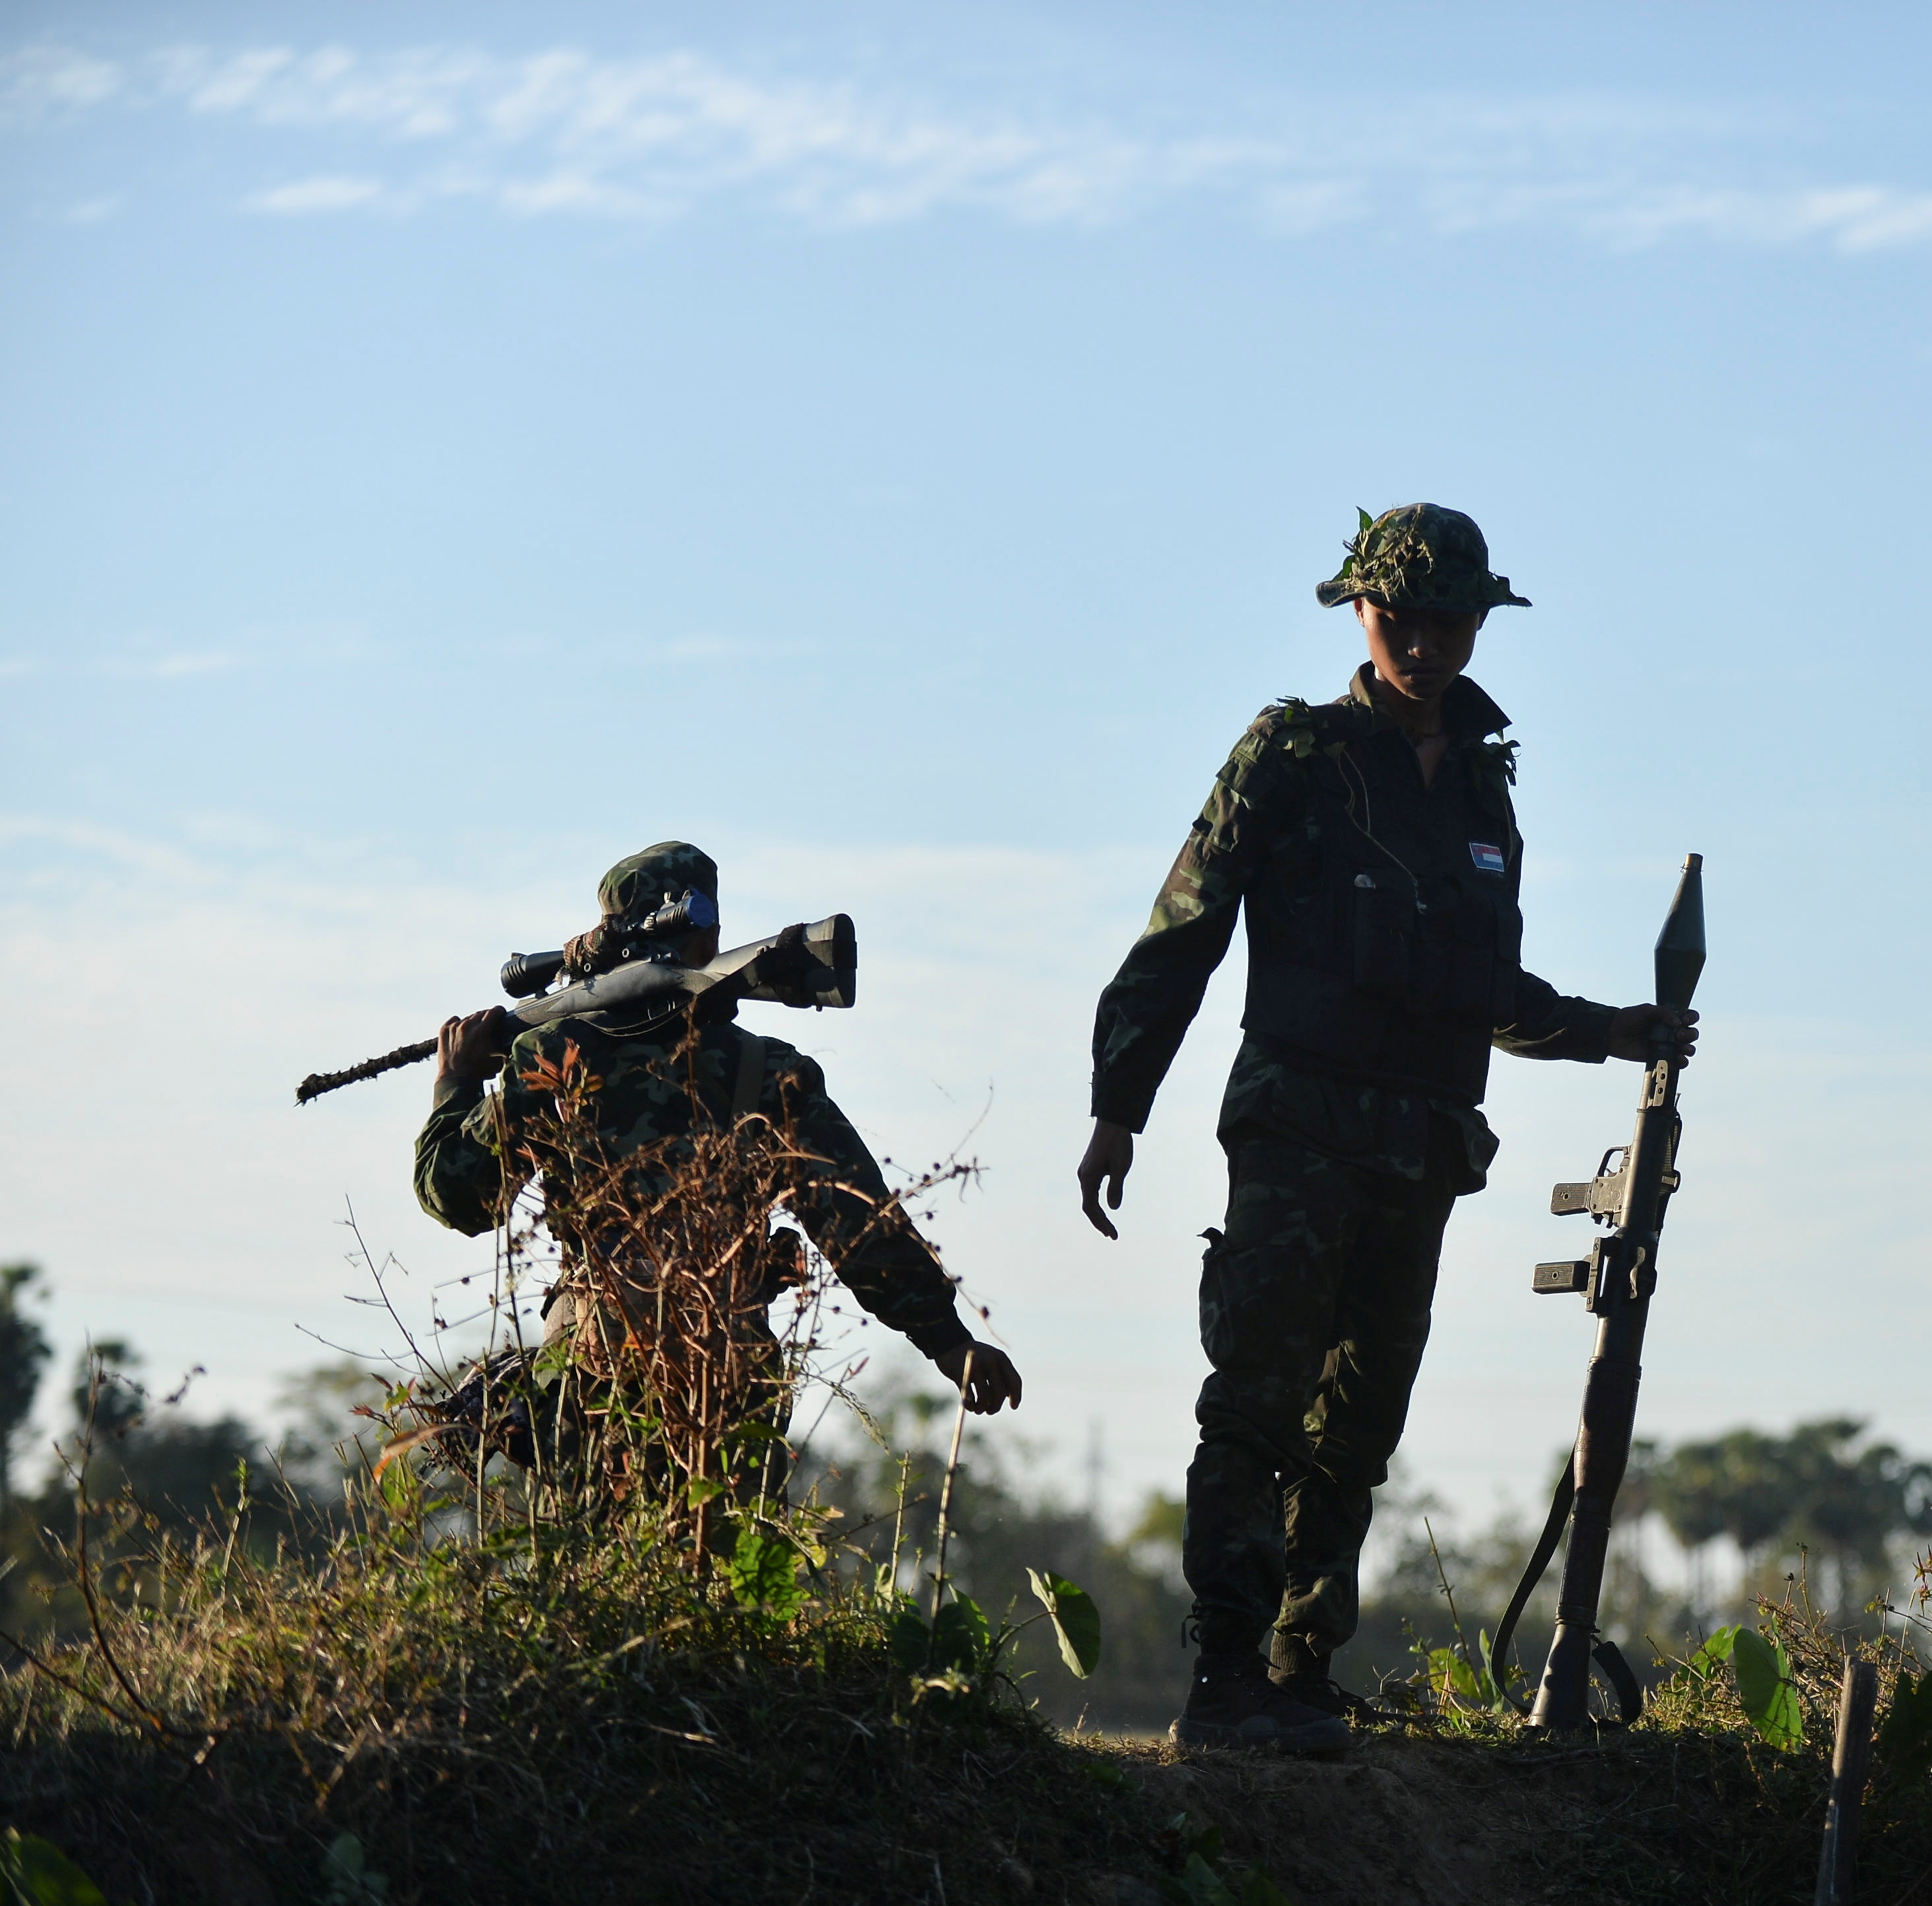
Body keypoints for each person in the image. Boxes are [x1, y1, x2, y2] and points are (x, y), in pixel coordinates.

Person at [1079, 504, 1694, 1754]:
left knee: (1355, 1428)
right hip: (1296, 1133)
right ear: (1359, 615)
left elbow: (1484, 991)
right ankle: (1224, 1684)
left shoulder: (1481, 783)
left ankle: (1303, 1672)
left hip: (1417, 1151)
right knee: (1255, 1400)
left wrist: (1611, 1029)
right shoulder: (1293, 756)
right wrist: (1117, 1104)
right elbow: (1180, 931)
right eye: (1397, 617)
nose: (1421, 641)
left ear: (1477, 624)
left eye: (1445, 620)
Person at [415, 842, 1020, 1488]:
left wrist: (454, 1083)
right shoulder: (767, 1072)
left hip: (596, 1390)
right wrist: (949, 1343)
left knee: (611, 1580)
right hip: (729, 1391)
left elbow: (457, 1198)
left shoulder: (549, 1057)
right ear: (711, 936)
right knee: (725, 1579)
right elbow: (860, 1225)